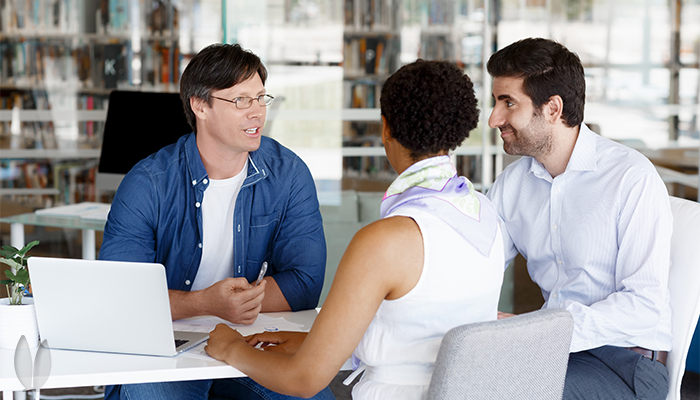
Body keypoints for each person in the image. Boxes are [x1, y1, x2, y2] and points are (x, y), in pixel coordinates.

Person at [204, 59, 505, 400]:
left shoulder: (386, 241)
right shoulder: (487, 215)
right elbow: (419, 329)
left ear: (385, 128)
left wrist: (232, 348)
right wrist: (316, 343)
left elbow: (303, 380)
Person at [99, 43, 334, 400]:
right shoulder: (147, 182)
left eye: (260, 98)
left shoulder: (288, 174)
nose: (256, 112)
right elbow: (121, 296)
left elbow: (305, 283)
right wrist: (204, 304)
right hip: (167, 347)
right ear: (200, 105)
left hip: (253, 339)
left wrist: (238, 304)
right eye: (240, 100)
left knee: (310, 394)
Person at [485, 37, 672, 400]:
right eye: (496, 102)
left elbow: (643, 305)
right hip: (555, 353)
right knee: (454, 375)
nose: (494, 119)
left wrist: (536, 329)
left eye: (508, 103)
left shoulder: (630, 177)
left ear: (552, 109)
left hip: (625, 364)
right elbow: (481, 261)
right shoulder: (515, 183)